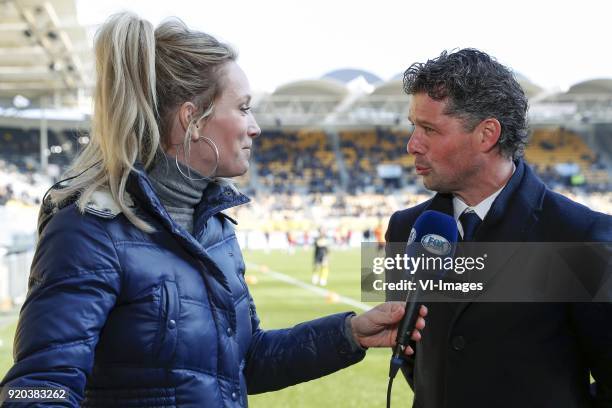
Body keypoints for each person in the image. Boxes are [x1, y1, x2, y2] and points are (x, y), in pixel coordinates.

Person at [0, 13, 427, 407]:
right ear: (192, 120)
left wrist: (349, 333)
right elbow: (37, 387)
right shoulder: (89, 230)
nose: (255, 126)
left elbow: (245, 361)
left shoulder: (214, 227)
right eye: (243, 107)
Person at [385, 48, 612, 407]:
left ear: (487, 134)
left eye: (429, 129)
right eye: (414, 126)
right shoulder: (404, 229)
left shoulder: (582, 235)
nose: (412, 144)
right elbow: (413, 359)